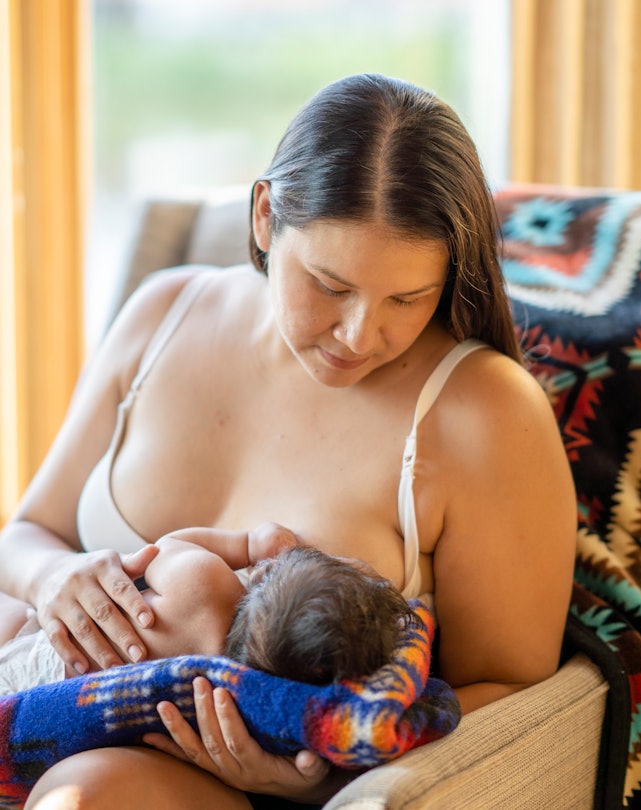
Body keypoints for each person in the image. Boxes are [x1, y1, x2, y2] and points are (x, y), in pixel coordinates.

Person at [0, 73, 577, 808]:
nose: (361, 335)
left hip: (217, 783)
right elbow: (28, 532)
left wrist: (323, 777)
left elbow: (519, 692)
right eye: (330, 285)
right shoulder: (164, 314)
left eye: (407, 297)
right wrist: (54, 579)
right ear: (267, 215)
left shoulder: (482, 412)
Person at [0, 534, 416, 695]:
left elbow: (158, 552)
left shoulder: (204, 585)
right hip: (32, 692)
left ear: (271, 568)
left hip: (36, 646)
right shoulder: (230, 688)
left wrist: (247, 543)